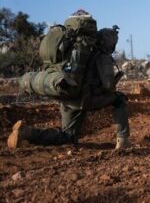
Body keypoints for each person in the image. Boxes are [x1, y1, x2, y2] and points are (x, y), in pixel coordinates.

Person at [7, 11, 130, 150]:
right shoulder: (96, 46)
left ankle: (27, 133)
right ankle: (123, 141)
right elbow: (108, 85)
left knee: (67, 136)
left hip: (66, 94)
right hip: (87, 98)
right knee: (119, 99)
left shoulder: (63, 41)